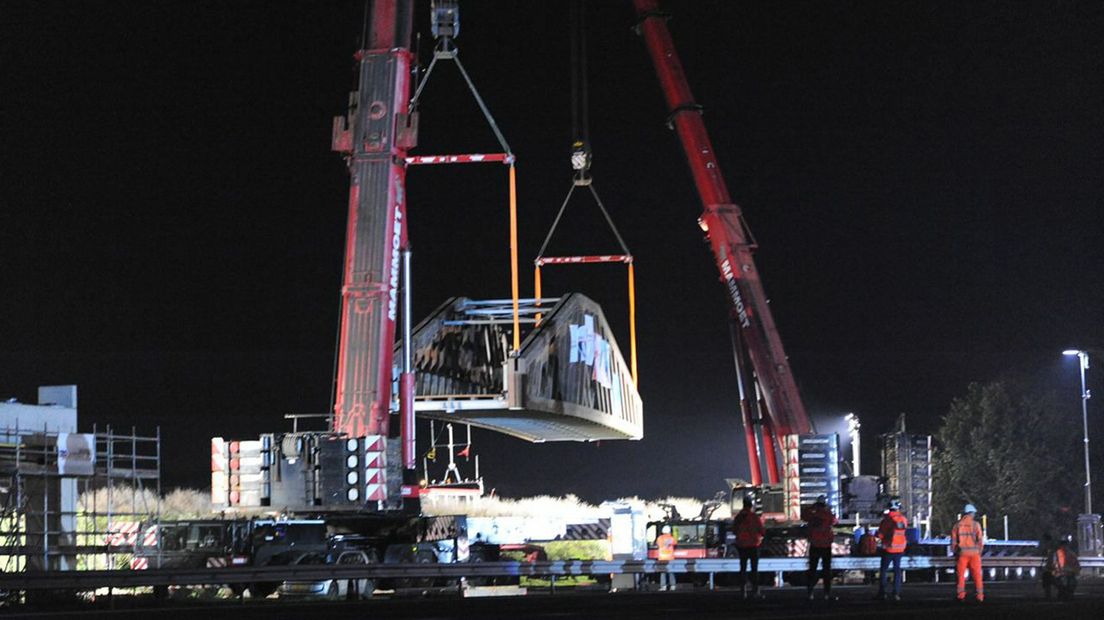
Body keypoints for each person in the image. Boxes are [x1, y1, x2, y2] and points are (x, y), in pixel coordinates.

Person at [803, 495, 838, 601]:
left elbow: (803, 515)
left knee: (812, 570)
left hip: (814, 545)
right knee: (826, 570)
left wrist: (811, 507)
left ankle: (810, 593)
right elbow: (835, 521)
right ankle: (827, 594)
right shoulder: (828, 514)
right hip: (826, 545)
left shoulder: (812, 514)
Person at [874, 498, 909, 601]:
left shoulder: (887, 520)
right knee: (897, 570)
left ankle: (883, 593)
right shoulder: (903, 519)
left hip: (888, 549)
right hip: (900, 548)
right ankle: (896, 593)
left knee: (884, 570)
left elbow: (880, 535)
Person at [733, 495, 765, 598]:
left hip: (741, 546)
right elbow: (761, 530)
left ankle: (743, 591)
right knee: (754, 569)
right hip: (753, 545)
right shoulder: (754, 517)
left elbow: (734, 530)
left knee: (743, 568)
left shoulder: (738, 517)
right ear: (751, 505)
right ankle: (755, 591)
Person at [951, 503, 985, 602]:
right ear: (972, 513)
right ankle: (980, 596)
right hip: (975, 554)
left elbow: (953, 542)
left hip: (962, 554)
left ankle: (961, 595)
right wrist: (979, 552)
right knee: (977, 575)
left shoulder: (957, 525)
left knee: (961, 576)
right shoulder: (976, 525)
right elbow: (980, 541)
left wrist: (955, 552)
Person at [1049, 536, 1080, 601]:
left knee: (1066, 588)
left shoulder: (1067, 553)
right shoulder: (1062, 553)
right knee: (1064, 588)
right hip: (1063, 574)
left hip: (1066, 574)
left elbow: (1076, 565)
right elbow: (1054, 564)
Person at [656, 524, 676, 591]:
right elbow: (675, 543)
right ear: (669, 531)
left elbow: (658, 544)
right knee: (671, 572)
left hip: (662, 558)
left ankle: (663, 586)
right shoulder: (671, 538)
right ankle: (673, 586)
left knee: (663, 572)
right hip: (670, 558)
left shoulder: (659, 538)